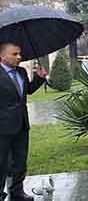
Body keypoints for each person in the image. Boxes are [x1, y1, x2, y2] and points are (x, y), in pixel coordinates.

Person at [0, 42, 47, 201]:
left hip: (21, 125)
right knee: (1, 163)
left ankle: (17, 192)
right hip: (2, 128)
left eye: (19, 53)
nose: (19, 57)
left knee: (20, 162)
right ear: (2, 56)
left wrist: (39, 79)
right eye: (14, 54)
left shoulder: (21, 71)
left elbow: (27, 90)